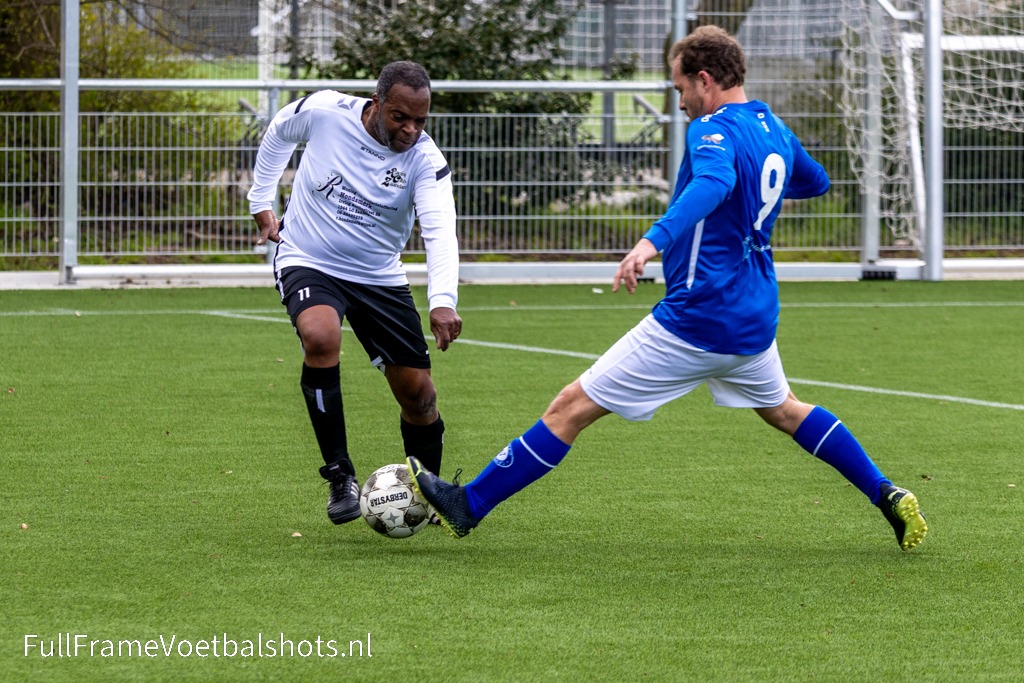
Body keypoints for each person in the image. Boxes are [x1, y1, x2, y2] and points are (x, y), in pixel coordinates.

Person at [408, 26, 927, 551]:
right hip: (753, 315)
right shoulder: (771, 125)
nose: (679, 103)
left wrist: (649, 243)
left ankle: (469, 504)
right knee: (786, 410)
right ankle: (885, 491)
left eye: (680, 89)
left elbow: (715, 182)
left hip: (698, 315)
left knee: (570, 407)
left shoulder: (711, 128)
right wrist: (754, 185)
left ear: (705, 80)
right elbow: (815, 181)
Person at [247, 60, 462, 525]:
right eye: (400, 117)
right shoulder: (326, 111)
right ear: (377, 102)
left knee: (419, 395)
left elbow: (440, 231)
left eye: (420, 120)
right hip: (308, 256)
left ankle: (429, 489)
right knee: (321, 336)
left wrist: (443, 300)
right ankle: (339, 474)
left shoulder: (425, 161)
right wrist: (261, 201)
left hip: (379, 275)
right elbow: (280, 130)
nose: (411, 130)